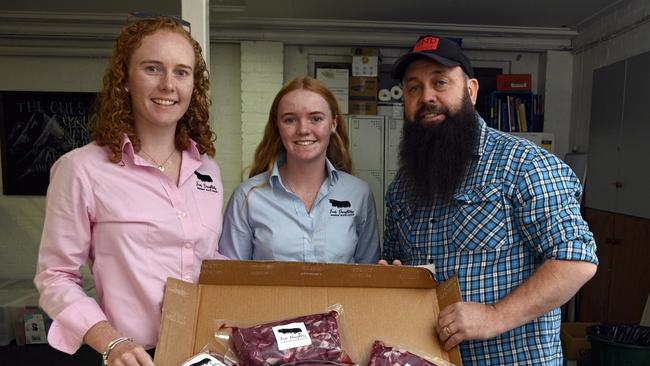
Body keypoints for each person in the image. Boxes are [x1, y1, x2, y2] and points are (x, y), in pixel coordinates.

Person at [380, 35, 598, 365]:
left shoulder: (525, 164)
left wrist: (495, 316)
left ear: (470, 91)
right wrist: (392, 278)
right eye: (413, 88)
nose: (427, 97)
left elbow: (576, 261)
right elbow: (398, 265)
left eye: (440, 82)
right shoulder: (403, 186)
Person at [34, 15, 224, 366]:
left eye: (181, 72)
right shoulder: (82, 169)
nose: (168, 84)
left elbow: (207, 261)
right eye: (153, 69)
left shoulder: (207, 171)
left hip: (205, 352)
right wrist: (112, 343)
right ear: (124, 80)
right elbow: (55, 276)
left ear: (193, 86)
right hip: (131, 356)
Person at [219, 76, 380, 263]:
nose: (303, 129)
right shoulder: (247, 197)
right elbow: (230, 281)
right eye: (290, 120)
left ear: (333, 124)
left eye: (316, 118)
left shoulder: (358, 193)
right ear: (277, 126)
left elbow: (369, 277)